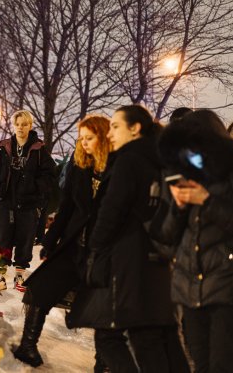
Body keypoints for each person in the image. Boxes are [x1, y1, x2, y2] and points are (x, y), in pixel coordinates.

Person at [66, 105, 189, 373]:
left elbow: (112, 210)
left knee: (124, 337)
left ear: (135, 129)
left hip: (129, 257)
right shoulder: (162, 158)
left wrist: (94, 249)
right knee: (163, 336)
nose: (110, 133)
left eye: (116, 126)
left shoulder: (129, 159)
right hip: (158, 255)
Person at [14, 115, 112, 368]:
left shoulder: (118, 167)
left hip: (104, 251)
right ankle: (28, 347)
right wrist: (49, 241)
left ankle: (104, 363)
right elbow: (67, 207)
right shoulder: (80, 166)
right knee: (39, 287)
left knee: (103, 305)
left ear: (103, 137)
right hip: (73, 245)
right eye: (81, 139)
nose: (85, 143)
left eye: (89, 138)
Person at [155, 109, 233, 373]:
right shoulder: (181, 171)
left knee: (223, 365)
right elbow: (168, 236)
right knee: (200, 363)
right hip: (189, 287)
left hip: (229, 284)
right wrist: (179, 206)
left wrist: (206, 201)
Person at [0, 110, 56, 292]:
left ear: (30, 126)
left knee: (25, 239)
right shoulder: (3, 147)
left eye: (24, 124)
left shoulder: (39, 149)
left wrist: (36, 189)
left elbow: (50, 175)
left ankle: (20, 276)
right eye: (17, 124)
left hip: (28, 203)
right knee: (3, 238)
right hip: (6, 200)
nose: (20, 127)